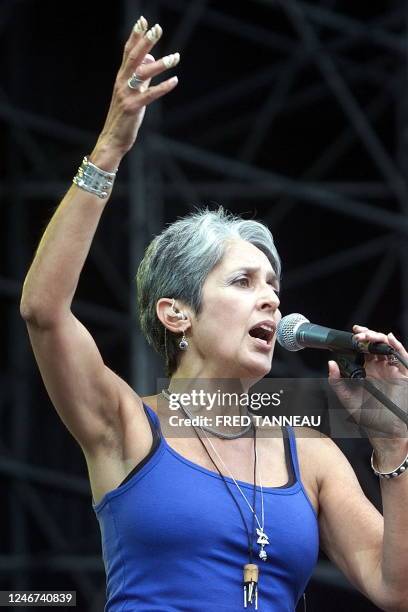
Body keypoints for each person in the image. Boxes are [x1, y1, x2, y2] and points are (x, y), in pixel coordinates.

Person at [20, 17, 408, 612]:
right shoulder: (127, 426)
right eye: (243, 281)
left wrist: (392, 441)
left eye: (274, 285)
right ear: (177, 313)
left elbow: (396, 589)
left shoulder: (312, 455)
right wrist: (110, 148)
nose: (272, 299)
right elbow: (45, 312)